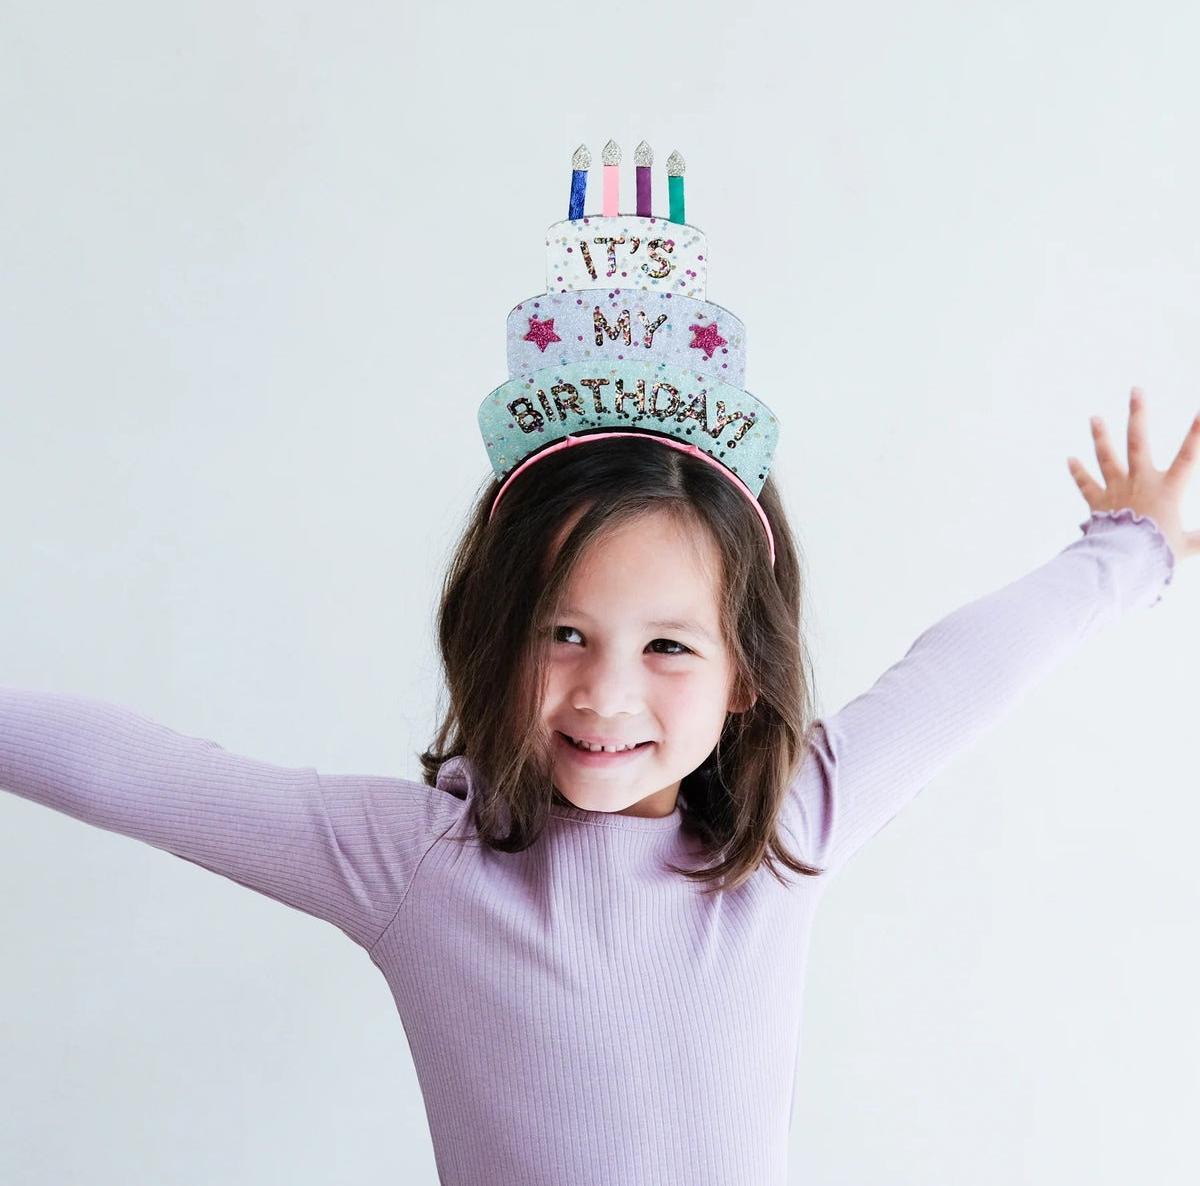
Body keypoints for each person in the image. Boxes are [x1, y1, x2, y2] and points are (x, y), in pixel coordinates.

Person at [2, 155, 1198, 1184]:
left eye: (667, 646)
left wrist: (1130, 549)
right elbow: (140, 774)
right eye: (561, 634)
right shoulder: (414, 862)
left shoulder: (790, 832)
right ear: (495, 634)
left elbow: (967, 671)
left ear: (745, 674)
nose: (605, 694)